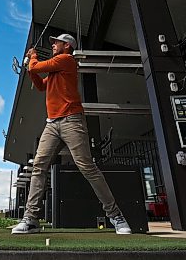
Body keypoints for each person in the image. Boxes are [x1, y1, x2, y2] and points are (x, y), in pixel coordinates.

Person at [11, 33, 132, 235]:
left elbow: (36, 66)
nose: (53, 45)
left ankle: (116, 216)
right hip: (52, 124)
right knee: (39, 166)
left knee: (87, 167)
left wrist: (32, 58)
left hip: (72, 121)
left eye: (56, 42)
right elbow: (41, 85)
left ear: (67, 46)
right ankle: (31, 219)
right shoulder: (56, 70)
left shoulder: (66, 60)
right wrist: (30, 68)